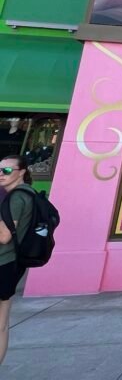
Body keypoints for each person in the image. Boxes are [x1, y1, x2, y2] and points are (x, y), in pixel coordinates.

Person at [0, 156, 33, 366]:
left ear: (21, 172)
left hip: (3, 261)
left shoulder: (16, 198)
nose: (1, 174)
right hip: (12, 263)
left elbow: (4, 236)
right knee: (2, 324)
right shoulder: (28, 193)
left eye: (6, 170)